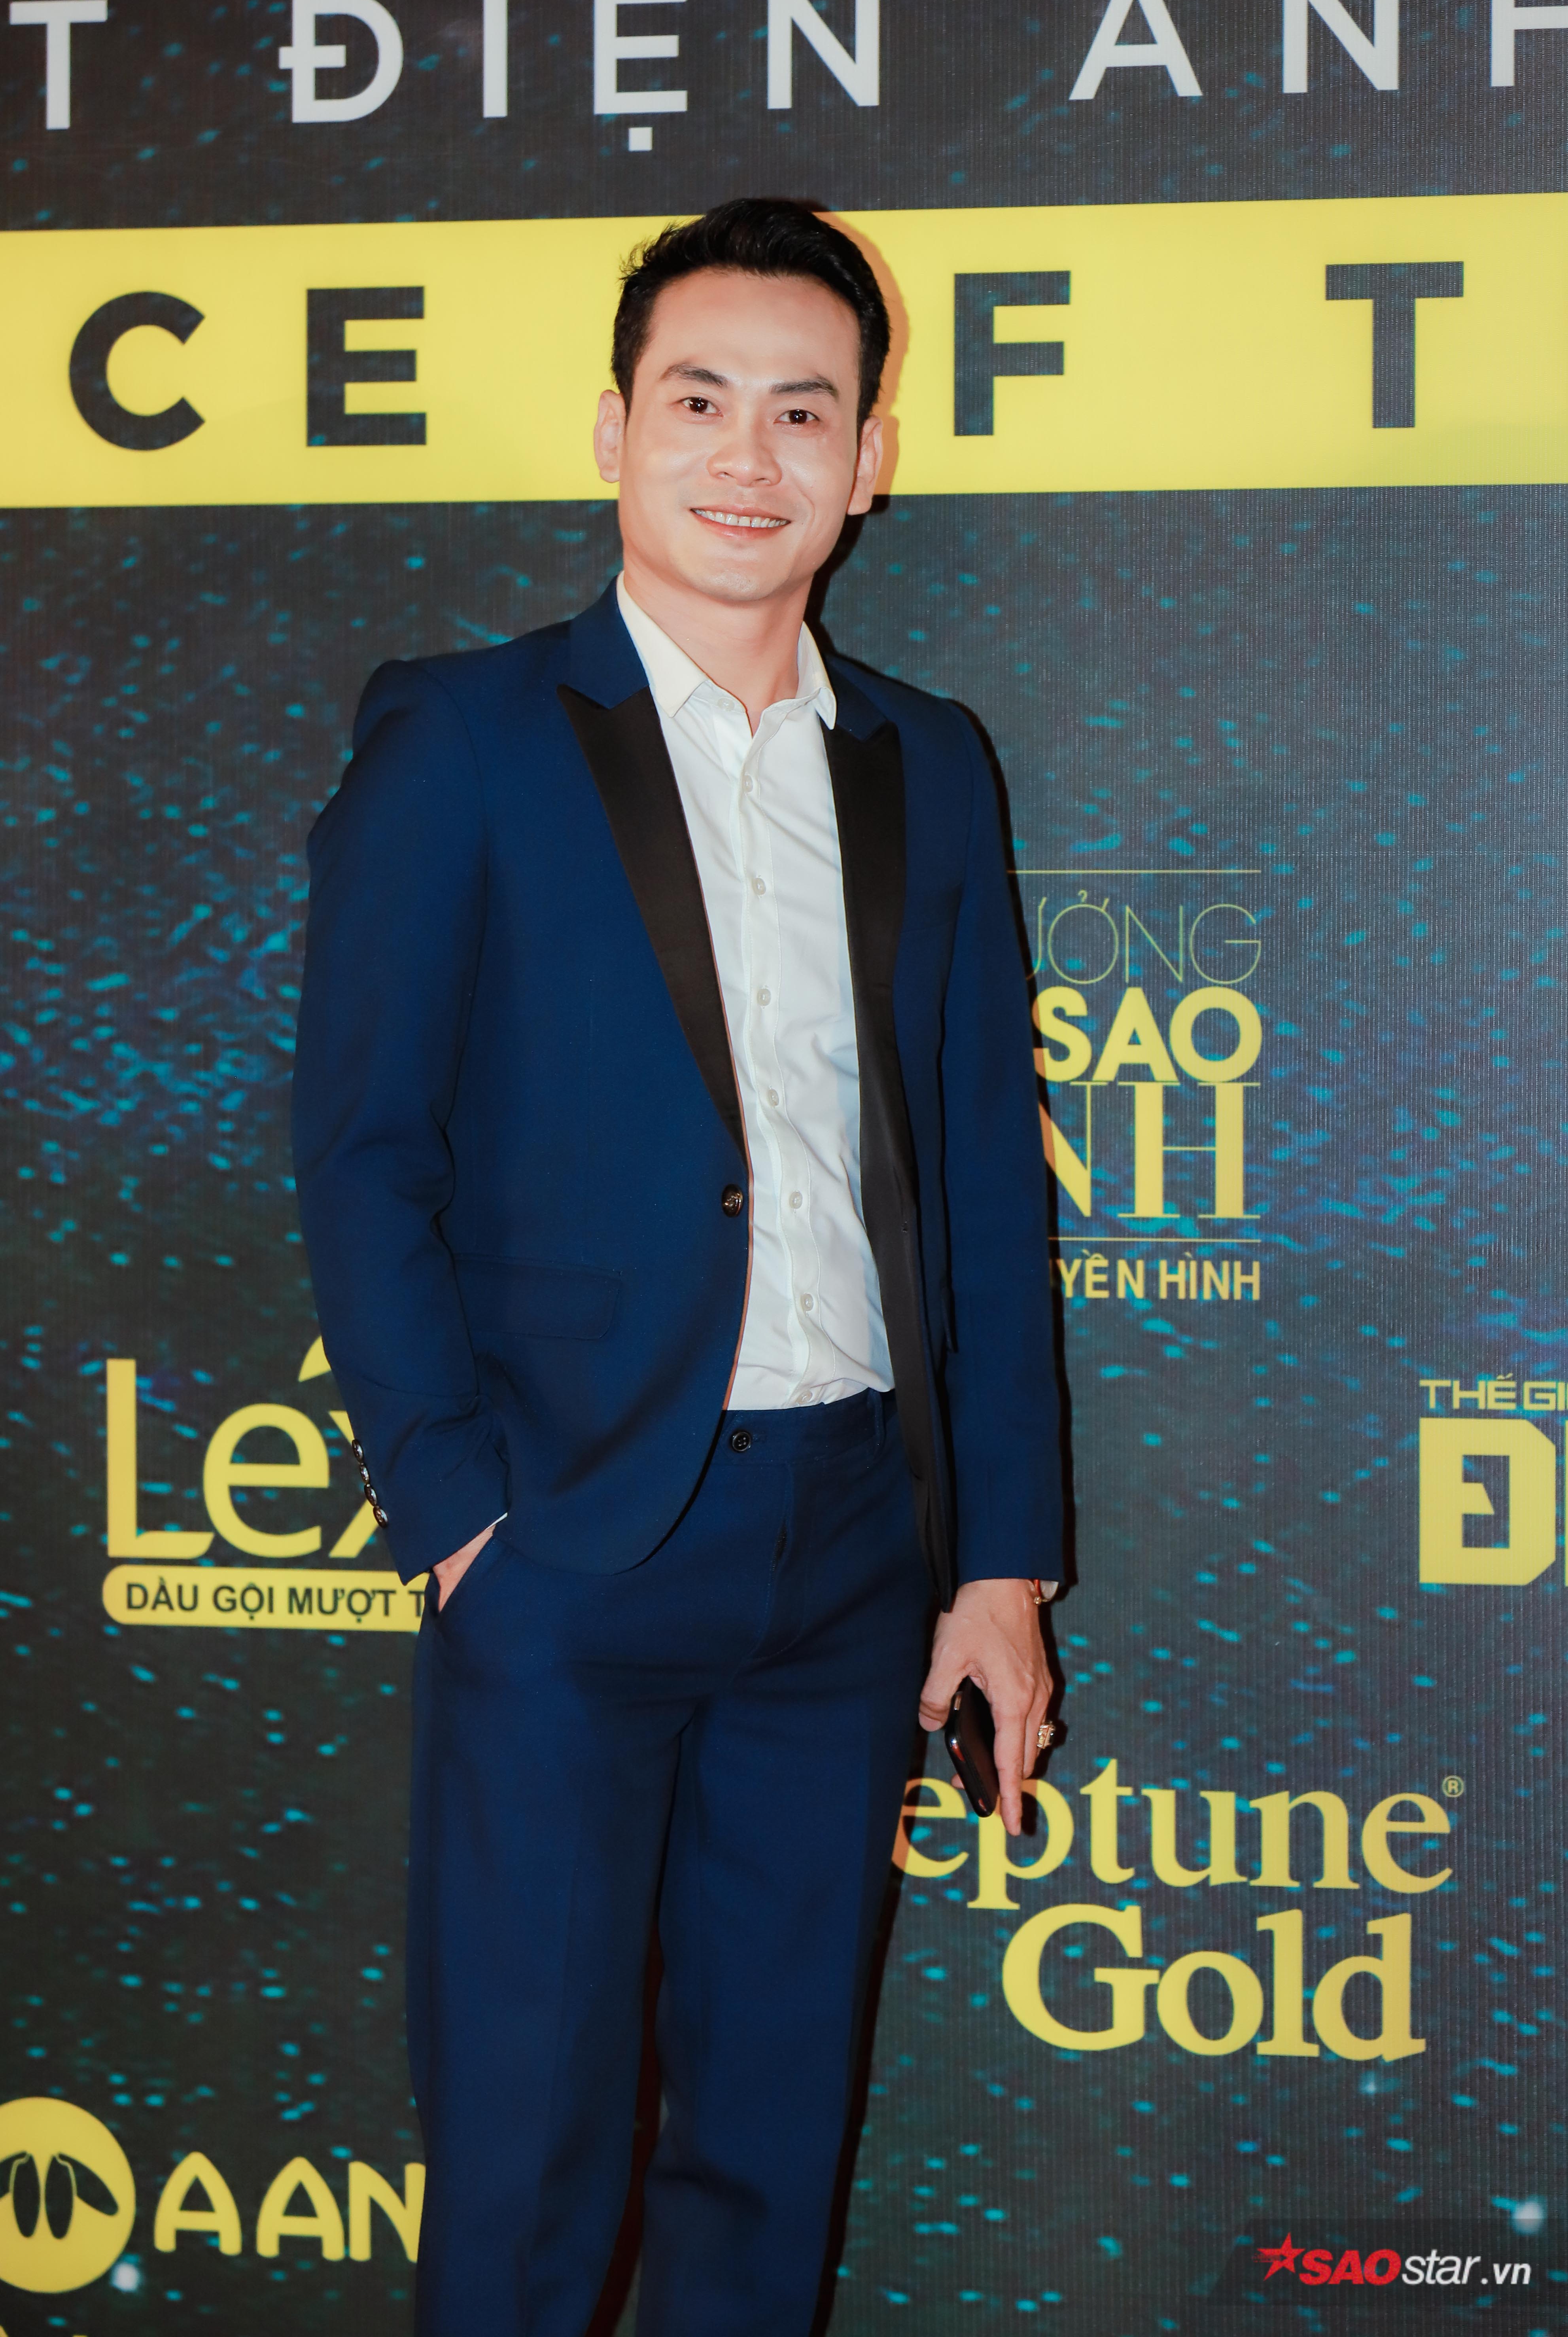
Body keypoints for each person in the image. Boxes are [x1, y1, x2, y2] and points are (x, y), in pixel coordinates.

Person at [291, 198, 1064, 2337]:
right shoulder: (461, 741)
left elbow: (983, 1185)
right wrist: (460, 1516)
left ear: (870, 459)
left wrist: (997, 1563)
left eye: (802, 411)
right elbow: (362, 1151)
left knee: (767, 2153)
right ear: (614, 432)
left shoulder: (928, 762)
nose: (748, 453)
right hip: (571, 1541)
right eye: (698, 400)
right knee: (529, 2167)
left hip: (852, 1549)